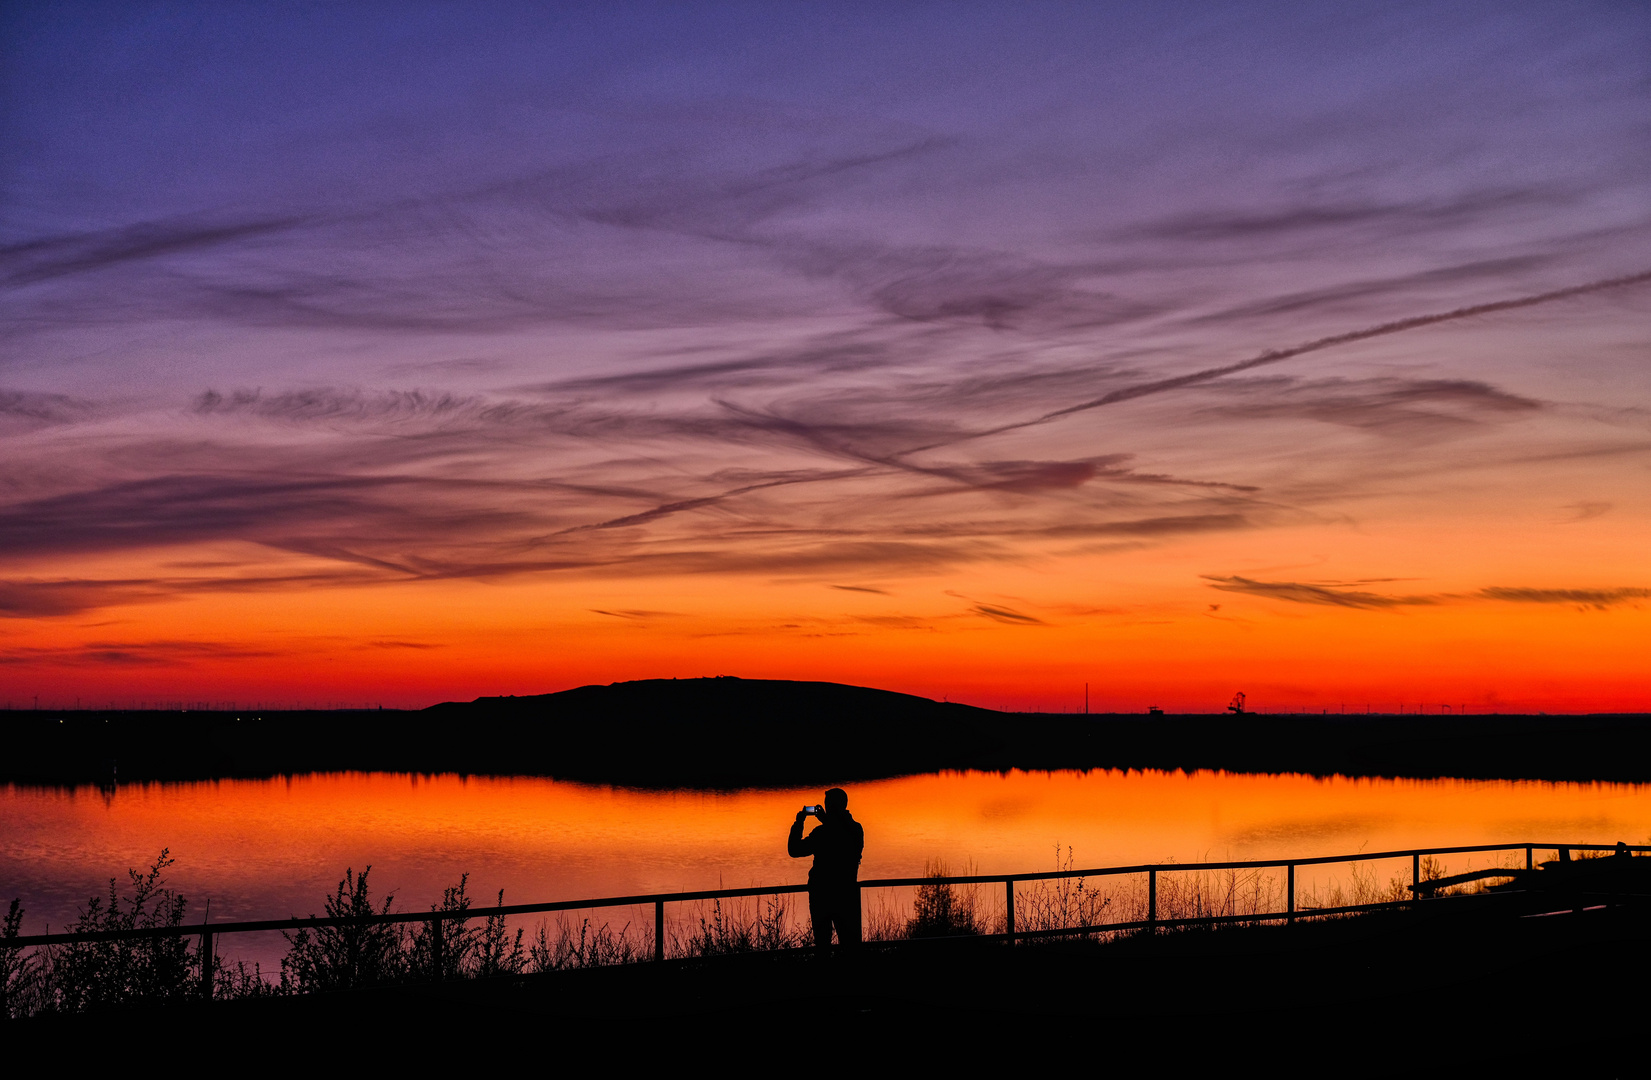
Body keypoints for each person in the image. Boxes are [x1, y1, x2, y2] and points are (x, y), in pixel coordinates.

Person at [788, 787, 864, 950]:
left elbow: (794, 850)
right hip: (846, 894)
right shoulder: (856, 830)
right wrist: (827, 821)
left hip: (821, 895)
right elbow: (846, 835)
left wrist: (799, 823)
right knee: (849, 943)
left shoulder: (822, 833)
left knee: (823, 945)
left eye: (828, 805)